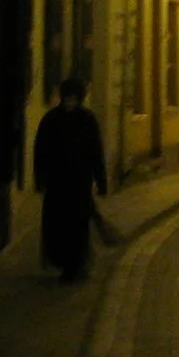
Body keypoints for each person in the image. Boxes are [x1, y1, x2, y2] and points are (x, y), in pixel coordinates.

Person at [33, 76, 109, 281]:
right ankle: (63, 262)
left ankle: (75, 265)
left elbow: (96, 152)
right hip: (57, 184)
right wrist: (40, 179)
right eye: (68, 98)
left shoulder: (87, 120)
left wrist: (101, 181)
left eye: (74, 99)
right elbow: (40, 152)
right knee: (57, 226)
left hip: (79, 184)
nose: (70, 102)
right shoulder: (50, 121)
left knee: (77, 226)